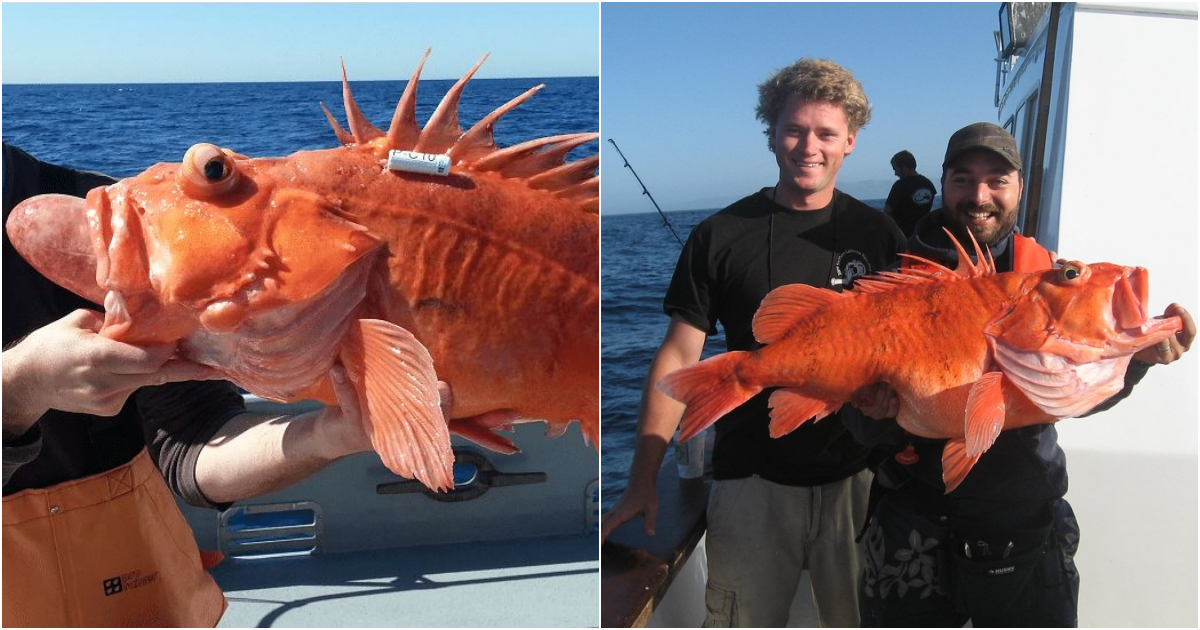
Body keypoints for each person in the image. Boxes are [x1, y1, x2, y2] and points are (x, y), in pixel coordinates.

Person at [1, 142, 438, 626]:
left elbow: (197, 447)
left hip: (140, 607)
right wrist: (17, 392)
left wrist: (331, 435)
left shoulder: (102, 209)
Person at [850, 123, 1195, 627]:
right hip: (914, 513)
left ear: (1019, 189)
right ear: (943, 184)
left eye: (997, 180)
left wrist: (1136, 362)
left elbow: (1072, 391)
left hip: (1026, 515)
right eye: (963, 179)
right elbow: (854, 424)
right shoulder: (895, 284)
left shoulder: (1050, 275)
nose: (980, 195)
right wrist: (876, 414)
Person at [600, 59, 906, 627]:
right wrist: (641, 478)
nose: (808, 146)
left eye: (826, 133)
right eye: (794, 129)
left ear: (851, 141)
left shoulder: (879, 235)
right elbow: (678, 356)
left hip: (856, 484)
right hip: (750, 483)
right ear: (771, 131)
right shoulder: (720, 234)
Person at [882, 150, 936, 238]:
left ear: (903, 167)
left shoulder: (900, 186)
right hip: (923, 236)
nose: (895, 173)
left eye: (896, 169)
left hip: (903, 237)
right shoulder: (928, 184)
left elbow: (887, 213)